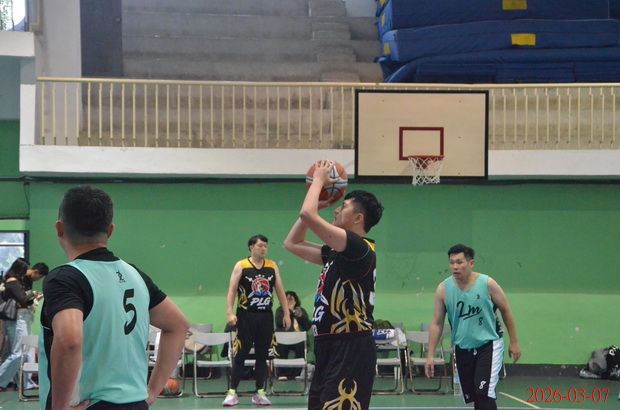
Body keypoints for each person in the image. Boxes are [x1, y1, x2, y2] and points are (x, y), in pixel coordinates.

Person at [39, 185, 189, 410]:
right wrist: (152, 390)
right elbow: (178, 325)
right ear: (110, 231)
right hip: (136, 403)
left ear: (59, 228)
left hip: (91, 404)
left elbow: (69, 341)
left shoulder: (65, 279)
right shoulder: (135, 275)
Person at [284, 160, 384, 410]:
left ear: (358, 218)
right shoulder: (338, 252)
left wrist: (318, 180)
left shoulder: (358, 248)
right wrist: (317, 205)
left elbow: (307, 214)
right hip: (328, 344)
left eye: (344, 206)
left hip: (350, 345)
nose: (337, 209)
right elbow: (292, 243)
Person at [425, 244, 521, 410]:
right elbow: (437, 323)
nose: (455, 266)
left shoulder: (487, 284)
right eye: (452, 262)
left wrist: (514, 341)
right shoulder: (443, 289)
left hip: (489, 345)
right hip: (463, 348)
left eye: (459, 262)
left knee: (484, 393)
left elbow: (506, 310)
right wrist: (430, 355)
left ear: (471, 263)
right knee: (476, 395)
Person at [223, 234, 291, 407]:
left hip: (265, 317)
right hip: (246, 316)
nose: (263, 249)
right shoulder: (241, 265)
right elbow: (232, 290)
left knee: (262, 355)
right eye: (260, 246)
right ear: (251, 247)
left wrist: (286, 313)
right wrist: (229, 312)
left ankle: (260, 392)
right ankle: (232, 392)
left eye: (265, 246)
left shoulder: (272, 265)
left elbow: (280, 290)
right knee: (241, 354)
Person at [0, 257, 36, 391]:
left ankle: (20, 381)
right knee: (18, 353)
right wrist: (33, 295)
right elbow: (23, 300)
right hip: (17, 318)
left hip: (16, 318)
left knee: (14, 352)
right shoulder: (13, 282)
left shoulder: (11, 281)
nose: (27, 271)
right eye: (25, 269)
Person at [274, 291, 311, 380]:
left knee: (302, 346)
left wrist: (299, 315)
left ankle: (297, 373)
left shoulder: (301, 311)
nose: (288, 301)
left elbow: (307, 326)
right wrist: (289, 310)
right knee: (280, 347)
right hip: (283, 339)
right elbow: (280, 323)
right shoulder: (280, 310)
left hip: (298, 338)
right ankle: (281, 373)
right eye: (286, 299)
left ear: (295, 301)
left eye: (291, 299)